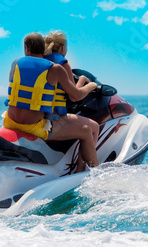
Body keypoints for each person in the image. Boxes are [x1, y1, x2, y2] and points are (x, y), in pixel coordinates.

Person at [3, 32, 100, 168]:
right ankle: (91, 174)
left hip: (9, 121)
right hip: (34, 127)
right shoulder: (54, 68)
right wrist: (90, 85)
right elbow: (76, 96)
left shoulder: (16, 63)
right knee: (86, 130)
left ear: (26, 48)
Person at [44, 31, 100, 170]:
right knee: (93, 128)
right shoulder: (62, 62)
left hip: (41, 114)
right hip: (55, 117)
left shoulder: (43, 60)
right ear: (62, 47)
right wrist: (84, 82)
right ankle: (81, 170)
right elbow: (74, 96)